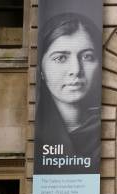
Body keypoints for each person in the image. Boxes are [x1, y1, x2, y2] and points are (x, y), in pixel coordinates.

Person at [34, 12, 102, 174]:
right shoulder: (38, 136)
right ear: (41, 70)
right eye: (60, 58)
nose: (76, 70)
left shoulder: (107, 132)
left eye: (87, 56)